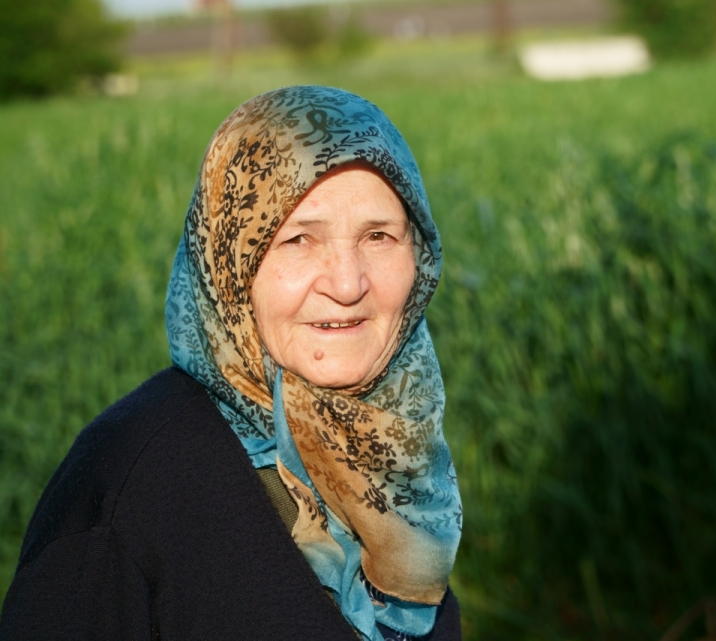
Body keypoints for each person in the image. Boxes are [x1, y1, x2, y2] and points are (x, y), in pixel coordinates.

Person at [0, 86, 463, 641]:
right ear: (228, 266)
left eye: (379, 236)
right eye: (298, 240)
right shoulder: (130, 482)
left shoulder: (397, 450)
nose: (348, 283)